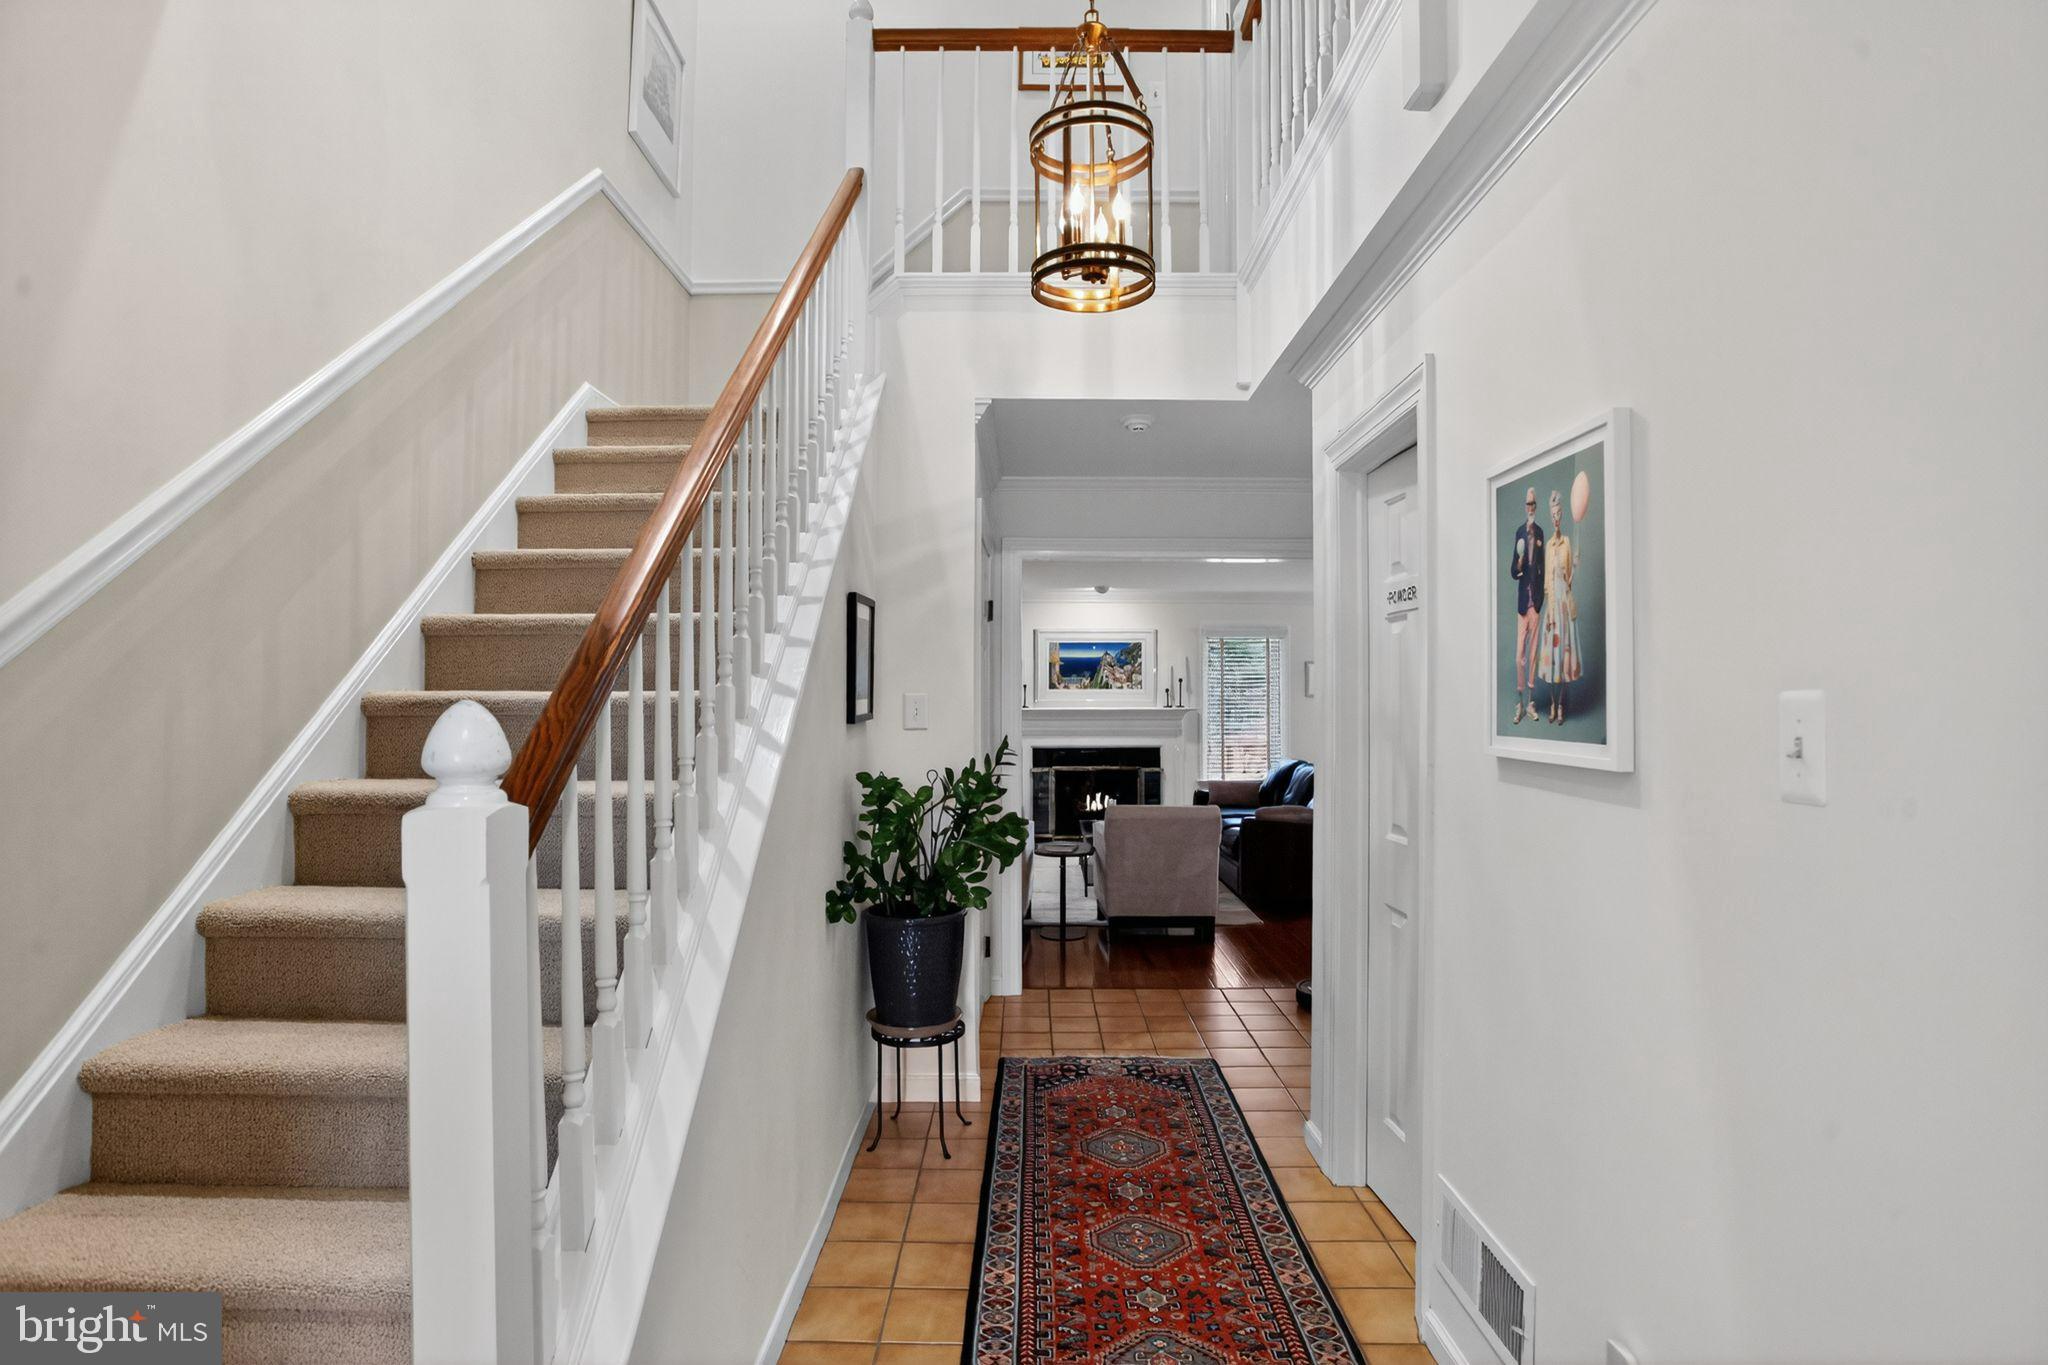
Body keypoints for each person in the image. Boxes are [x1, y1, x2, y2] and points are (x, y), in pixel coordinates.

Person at [1537, 488, 1581, 722]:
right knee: (1551, 659)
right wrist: (1550, 611)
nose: (1556, 518)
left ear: (1562, 515)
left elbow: (1569, 583)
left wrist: (1574, 566)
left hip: (1565, 606)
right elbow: (1547, 584)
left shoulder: (1566, 542)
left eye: (1559, 514)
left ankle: (1562, 706)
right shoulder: (1548, 547)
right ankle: (1553, 704)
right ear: (1550, 515)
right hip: (1553, 607)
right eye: (1553, 514)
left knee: (1564, 659)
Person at [1509, 486, 1545, 724]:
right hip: (1523, 603)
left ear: (1536, 507)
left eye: (1533, 504)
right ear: (1524, 506)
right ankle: (1519, 704)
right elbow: (1513, 572)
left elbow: (1543, 567)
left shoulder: (1541, 532)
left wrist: (1541, 597)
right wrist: (1520, 562)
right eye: (1527, 504)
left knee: (1533, 655)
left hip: (1536, 603)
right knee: (1518, 655)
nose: (1530, 507)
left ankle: (1530, 703)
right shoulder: (1519, 532)